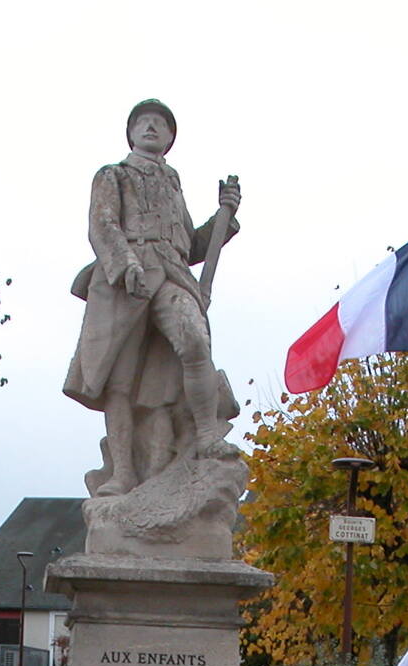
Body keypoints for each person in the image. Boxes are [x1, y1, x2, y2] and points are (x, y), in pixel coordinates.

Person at [65, 99, 242, 496]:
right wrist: (126, 265)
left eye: (160, 124)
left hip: (171, 272)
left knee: (195, 341)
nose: (150, 128)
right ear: (130, 133)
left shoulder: (173, 182)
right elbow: (103, 224)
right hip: (124, 279)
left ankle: (207, 436)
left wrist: (223, 219)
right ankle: (123, 473)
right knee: (120, 379)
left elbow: (190, 244)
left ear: (170, 137)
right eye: (143, 122)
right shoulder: (113, 175)